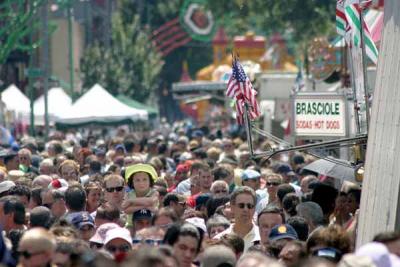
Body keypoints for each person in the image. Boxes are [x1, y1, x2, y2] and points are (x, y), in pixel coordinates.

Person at [214, 186, 260, 251]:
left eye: (250, 206)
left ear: (254, 209)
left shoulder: (262, 238)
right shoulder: (219, 240)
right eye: (241, 205)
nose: (246, 209)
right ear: (232, 207)